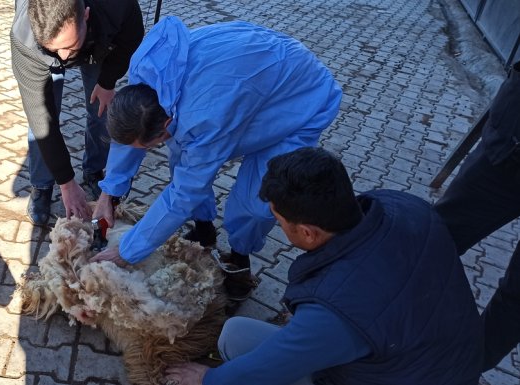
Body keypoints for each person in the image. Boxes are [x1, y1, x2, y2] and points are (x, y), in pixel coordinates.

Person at [164, 147, 483, 385]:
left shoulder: (337, 310)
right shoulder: (404, 207)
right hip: (442, 360)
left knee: (238, 350)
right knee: (236, 334)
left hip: (398, 375)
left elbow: (271, 366)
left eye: (278, 220)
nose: (278, 227)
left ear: (307, 232)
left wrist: (207, 379)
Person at [88, 16, 342, 300]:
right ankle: (205, 230)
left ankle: (239, 262)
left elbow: (184, 193)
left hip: (299, 99)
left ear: (166, 124)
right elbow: (131, 139)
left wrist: (127, 252)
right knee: (180, 159)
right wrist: (108, 194)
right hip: (249, 77)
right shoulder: (145, 83)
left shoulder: (205, 119)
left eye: (149, 146)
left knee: (257, 200)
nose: (146, 150)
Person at [10, 0, 144, 224]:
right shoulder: (25, 38)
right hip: (44, 46)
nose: (62, 59)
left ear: (86, 15)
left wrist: (108, 81)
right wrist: (66, 182)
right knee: (41, 123)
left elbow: (131, 36)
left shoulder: (117, 6)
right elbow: (42, 118)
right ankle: (42, 185)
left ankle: (94, 170)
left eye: (68, 47)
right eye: (55, 49)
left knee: (101, 110)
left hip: (97, 39)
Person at [434, 60, 520, 371]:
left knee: (517, 301)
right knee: (431, 240)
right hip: (508, 153)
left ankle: (454, 373)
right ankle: (349, 323)